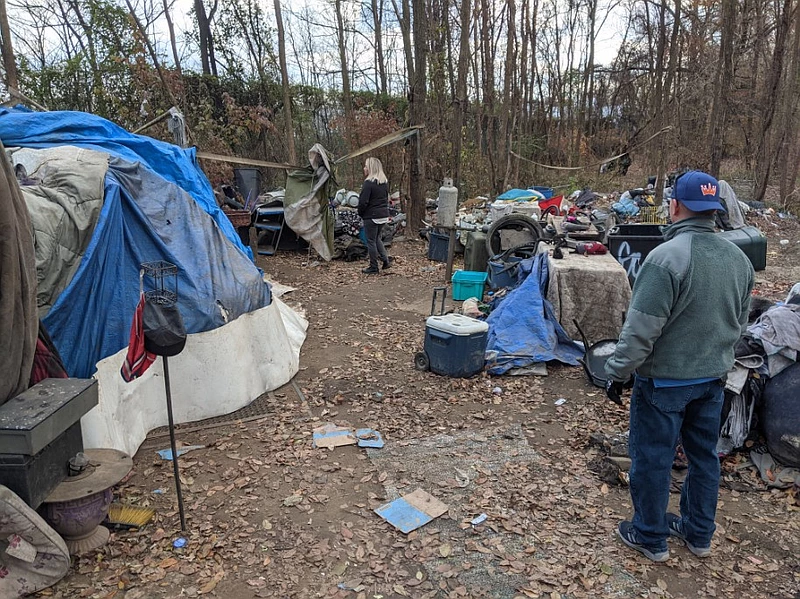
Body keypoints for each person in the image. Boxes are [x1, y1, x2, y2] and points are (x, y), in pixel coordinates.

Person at [604, 170, 754, 562]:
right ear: (714, 209)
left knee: (653, 458)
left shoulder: (665, 258)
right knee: (703, 457)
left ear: (675, 206)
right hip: (713, 380)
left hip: (665, 383)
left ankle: (650, 536)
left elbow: (640, 332)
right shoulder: (739, 259)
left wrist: (618, 373)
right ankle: (698, 533)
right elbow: (739, 324)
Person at [357, 157, 391, 274]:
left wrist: (360, 213)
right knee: (377, 238)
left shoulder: (368, 183)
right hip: (383, 215)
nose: (364, 168)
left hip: (371, 216)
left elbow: (363, 202)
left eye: (366, 166)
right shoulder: (384, 182)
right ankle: (385, 260)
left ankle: (373, 266)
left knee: (370, 241)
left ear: (371, 168)